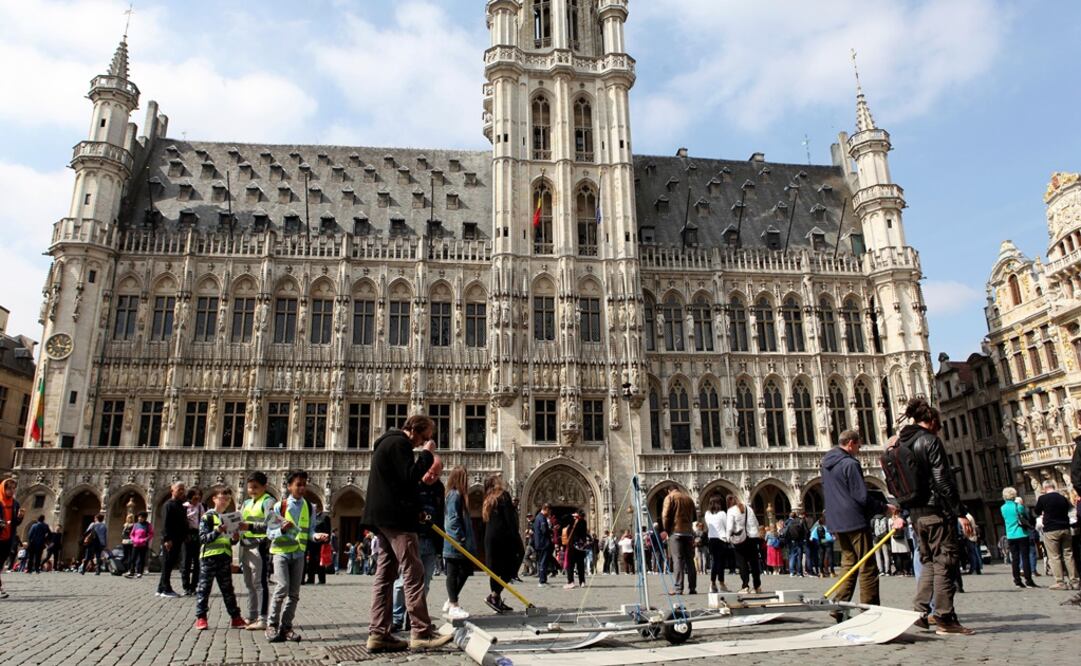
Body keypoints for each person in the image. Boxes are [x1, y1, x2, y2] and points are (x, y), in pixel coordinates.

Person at [362, 414, 452, 652]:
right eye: (423, 437)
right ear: (413, 429)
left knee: (385, 575)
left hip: (383, 517)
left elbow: (398, 485)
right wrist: (427, 454)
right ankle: (421, 632)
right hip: (397, 518)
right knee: (414, 572)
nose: (422, 443)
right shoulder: (399, 443)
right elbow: (411, 478)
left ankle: (378, 633)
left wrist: (417, 509)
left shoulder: (386, 442)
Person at [898, 398, 974, 635]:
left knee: (928, 562)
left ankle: (921, 612)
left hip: (916, 514)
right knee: (945, 563)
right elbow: (942, 480)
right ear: (931, 421)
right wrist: (960, 512)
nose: (939, 429)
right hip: (935, 512)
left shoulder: (902, 442)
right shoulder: (929, 441)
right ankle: (944, 617)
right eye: (938, 424)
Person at [821, 429, 890, 613]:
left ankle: (839, 606)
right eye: (859, 444)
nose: (860, 448)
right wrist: (884, 507)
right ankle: (869, 608)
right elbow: (861, 496)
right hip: (854, 520)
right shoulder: (850, 464)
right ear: (851, 443)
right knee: (867, 565)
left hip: (837, 520)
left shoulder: (827, 464)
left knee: (849, 563)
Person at [265, 470, 329, 643]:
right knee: (282, 588)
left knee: (294, 594)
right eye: (298, 484)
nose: (302, 488)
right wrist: (281, 529)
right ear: (289, 486)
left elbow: (310, 531)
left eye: (304, 484)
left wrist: (317, 536)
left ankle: (286, 627)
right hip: (281, 552)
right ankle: (271, 625)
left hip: (299, 553)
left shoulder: (309, 507)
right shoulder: (279, 506)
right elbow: (269, 533)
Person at [392, 455, 445, 632]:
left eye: (437, 475)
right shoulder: (412, 483)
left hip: (431, 541)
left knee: (425, 582)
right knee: (403, 581)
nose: (432, 477)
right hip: (412, 538)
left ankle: (413, 618)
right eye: (430, 473)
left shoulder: (439, 488)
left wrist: (440, 544)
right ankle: (396, 618)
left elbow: (440, 514)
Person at [193, 486, 247, 631]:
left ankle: (235, 618)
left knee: (228, 590)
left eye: (228, 499)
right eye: (223, 498)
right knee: (204, 589)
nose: (226, 502)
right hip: (209, 558)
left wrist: (234, 538)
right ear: (214, 499)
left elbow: (228, 540)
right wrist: (218, 530)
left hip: (224, 557)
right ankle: (201, 617)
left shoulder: (228, 518)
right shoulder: (208, 517)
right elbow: (203, 538)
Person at [239, 471, 276, 631]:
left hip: (259, 545)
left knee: (259, 583)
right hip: (245, 544)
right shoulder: (246, 503)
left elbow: (271, 524)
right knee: (249, 583)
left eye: (255, 487)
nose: (252, 490)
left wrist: (250, 526)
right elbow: (240, 520)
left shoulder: (268, 501)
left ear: (264, 487)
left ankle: (263, 618)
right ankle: (252, 615)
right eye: (250, 487)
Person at [483, 475, 525, 609]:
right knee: (515, 561)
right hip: (504, 536)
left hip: (490, 538)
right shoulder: (503, 495)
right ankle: (494, 595)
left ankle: (496, 599)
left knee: (496, 570)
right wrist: (516, 536)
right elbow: (509, 519)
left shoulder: (488, 499)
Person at [442, 466, 475, 620]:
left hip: (458, 541)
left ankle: (451, 600)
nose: (467, 481)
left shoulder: (457, 495)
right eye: (465, 477)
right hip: (455, 542)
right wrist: (460, 538)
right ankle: (454, 604)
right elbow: (452, 519)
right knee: (453, 572)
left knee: (464, 570)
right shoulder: (454, 495)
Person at [1034, 479, 1078, 590]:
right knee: (1068, 555)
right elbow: (1070, 509)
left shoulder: (1042, 498)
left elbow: (1037, 511)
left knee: (1054, 556)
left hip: (1051, 529)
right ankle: (1075, 581)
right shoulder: (1062, 498)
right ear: (1054, 486)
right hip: (1065, 528)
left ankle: (1060, 582)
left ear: (1045, 488)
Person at [662, 485, 698, 595]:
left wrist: (667, 530)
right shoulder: (688, 498)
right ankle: (692, 587)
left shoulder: (670, 497)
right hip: (688, 533)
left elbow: (665, 516)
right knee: (690, 560)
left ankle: (678, 588)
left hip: (675, 532)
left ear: (669, 490)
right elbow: (695, 517)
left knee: (677, 559)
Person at [1001, 486, 1037, 589]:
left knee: (1015, 559)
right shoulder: (1018, 506)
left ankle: (1017, 581)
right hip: (1022, 534)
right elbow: (1025, 517)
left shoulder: (1002, 508)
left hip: (1010, 535)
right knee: (1025, 558)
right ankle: (1028, 580)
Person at [158, 481, 189, 598]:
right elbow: (165, 523)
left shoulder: (180, 505)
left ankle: (160, 588)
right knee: (167, 564)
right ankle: (166, 589)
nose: (181, 491)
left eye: (183, 489)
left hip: (178, 538)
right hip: (171, 539)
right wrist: (167, 539)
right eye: (179, 489)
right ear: (172, 490)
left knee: (170, 563)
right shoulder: (168, 505)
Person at [726, 495, 760, 593]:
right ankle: (757, 586)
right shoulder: (749, 508)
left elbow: (730, 527)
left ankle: (745, 586)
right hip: (753, 537)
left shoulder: (731, 510)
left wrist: (728, 537)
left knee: (742, 563)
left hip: (741, 539)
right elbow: (756, 523)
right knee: (754, 563)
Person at [182, 488, 205, 596]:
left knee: (197, 562)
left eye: (199, 495)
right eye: (195, 495)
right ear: (190, 496)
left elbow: (204, 520)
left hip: (198, 533)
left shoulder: (201, 507)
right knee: (186, 562)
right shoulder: (184, 506)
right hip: (187, 534)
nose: (198, 497)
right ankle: (186, 586)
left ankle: (194, 586)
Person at [703, 495, 729, 592]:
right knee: (720, 563)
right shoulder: (722, 514)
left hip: (711, 540)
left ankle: (712, 583)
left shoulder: (707, 514)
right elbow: (727, 526)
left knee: (714, 562)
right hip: (721, 540)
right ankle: (721, 583)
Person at [561, 509, 589, 590]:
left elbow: (563, 518)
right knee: (580, 565)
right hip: (581, 546)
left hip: (572, 546)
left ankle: (571, 582)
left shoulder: (572, 521)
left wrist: (571, 515)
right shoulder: (584, 522)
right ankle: (582, 582)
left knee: (570, 565)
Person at [303, 508, 332, 585]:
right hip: (312, 542)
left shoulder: (324, 517)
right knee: (311, 562)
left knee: (320, 561)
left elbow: (328, 530)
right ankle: (310, 579)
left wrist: (326, 541)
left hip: (320, 543)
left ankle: (321, 579)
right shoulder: (311, 517)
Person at [532, 504, 554, 586]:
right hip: (543, 543)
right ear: (546, 509)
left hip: (539, 543)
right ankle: (542, 581)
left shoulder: (538, 517)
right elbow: (544, 530)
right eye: (549, 511)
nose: (549, 513)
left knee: (542, 562)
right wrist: (551, 531)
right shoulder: (541, 518)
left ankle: (544, 579)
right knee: (543, 562)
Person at [127, 511, 153, 578]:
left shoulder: (148, 525)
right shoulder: (136, 525)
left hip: (143, 544)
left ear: (144, 518)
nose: (139, 518)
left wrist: (145, 539)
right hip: (135, 544)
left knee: (141, 559)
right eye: (139, 517)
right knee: (133, 558)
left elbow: (151, 534)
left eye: (141, 517)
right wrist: (133, 539)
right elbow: (132, 534)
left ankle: (139, 572)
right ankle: (132, 572)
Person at [783, 510, 808, 578]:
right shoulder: (800, 521)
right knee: (799, 557)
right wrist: (805, 538)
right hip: (799, 540)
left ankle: (792, 572)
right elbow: (806, 531)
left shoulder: (789, 522)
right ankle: (799, 573)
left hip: (791, 541)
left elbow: (785, 532)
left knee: (792, 556)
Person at [809, 513, 835, 577]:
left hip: (820, 542)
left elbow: (811, 537)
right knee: (830, 557)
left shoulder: (817, 527)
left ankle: (821, 572)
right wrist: (833, 538)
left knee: (821, 557)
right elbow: (832, 536)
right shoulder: (828, 527)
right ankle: (832, 572)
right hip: (828, 542)